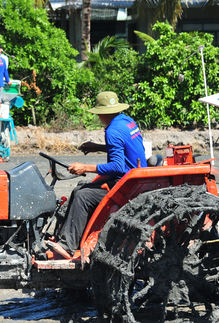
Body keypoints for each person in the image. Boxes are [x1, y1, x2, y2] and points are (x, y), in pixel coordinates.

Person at [47, 91, 147, 259]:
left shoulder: (112, 131)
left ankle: (68, 245)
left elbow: (117, 165)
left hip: (127, 185)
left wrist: (84, 167)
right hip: (136, 178)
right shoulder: (127, 122)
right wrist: (98, 147)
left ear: (101, 113)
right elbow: (126, 147)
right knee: (79, 189)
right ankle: (67, 237)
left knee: (83, 196)